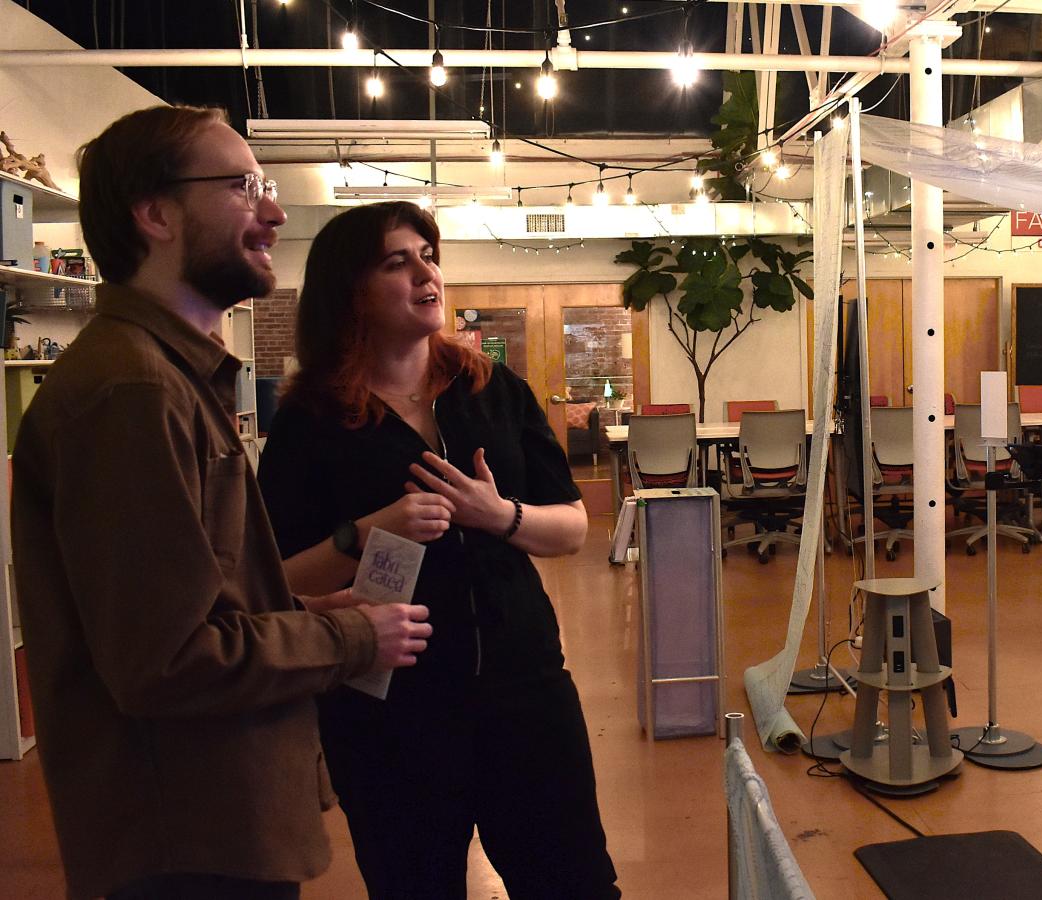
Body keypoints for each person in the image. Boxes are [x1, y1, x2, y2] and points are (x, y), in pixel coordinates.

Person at [10, 106, 433, 900]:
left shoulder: (166, 377)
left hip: (213, 825)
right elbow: (164, 662)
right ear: (155, 213)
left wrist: (306, 618)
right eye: (243, 187)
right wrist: (346, 638)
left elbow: (197, 608)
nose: (273, 212)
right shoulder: (134, 391)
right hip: (184, 841)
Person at [257, 202, 619, 900]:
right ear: (350, 289)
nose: (427, 271)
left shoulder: (493, 390)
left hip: (526, 689)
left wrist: (499, 514)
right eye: (398, 261)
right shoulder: (311, 421)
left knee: (574, 884)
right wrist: (366, 534)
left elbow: (572, 526)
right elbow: (276, 576)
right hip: (391, 710)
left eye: (429, 253)